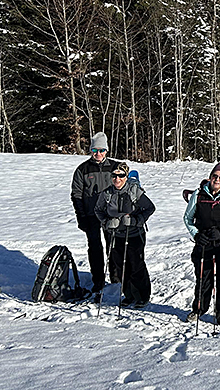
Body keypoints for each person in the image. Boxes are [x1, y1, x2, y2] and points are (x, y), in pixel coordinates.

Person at [183, 162, 220, 328]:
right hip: (204, 241)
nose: (217, 179)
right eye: (215, 176)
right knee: (203, 276)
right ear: (210, 177)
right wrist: (196, 234)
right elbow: (188, 218)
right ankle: (199, 309)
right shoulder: (198, 194)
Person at [94, 162, 155, 308]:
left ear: (126, 177)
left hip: (134, 235)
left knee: (136, 265)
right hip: (115, 235)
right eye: (114, 175)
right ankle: (129, 295)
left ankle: (142, 296)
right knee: (121, 266)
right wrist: (107, 222)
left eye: (121, 175)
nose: (117, 179)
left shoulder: (134, 191)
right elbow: (98, 210)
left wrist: (136, 220)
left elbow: (150, 208)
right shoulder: (107, 193)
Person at [71, 132, 118, 295]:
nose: (98, 154)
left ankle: (116, 279)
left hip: (111, 215)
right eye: (95, 150)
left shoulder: (115, 167)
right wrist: (81, 216)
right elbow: (76, 194)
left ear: (106, 150)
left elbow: (126, 188)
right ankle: (98, 280)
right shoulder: (83, 169)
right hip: (91, 215)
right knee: (95, 247)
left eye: (101, 150)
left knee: (113, 246)